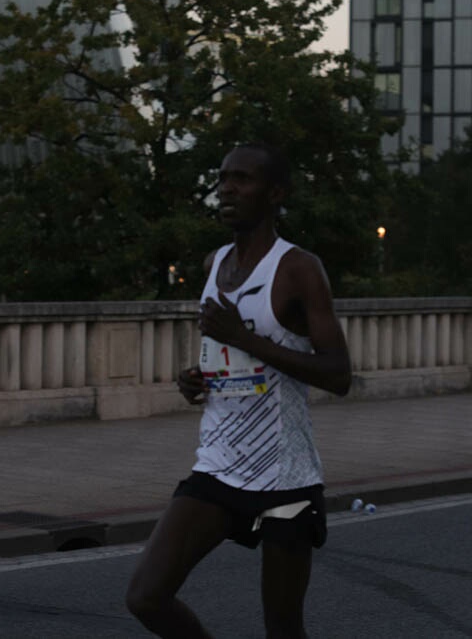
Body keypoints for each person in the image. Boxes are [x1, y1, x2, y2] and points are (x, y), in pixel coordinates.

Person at [125, 143, 352, 639]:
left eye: (243, 179)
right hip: (219, 466)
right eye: (223, 178)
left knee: (283, 629)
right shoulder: (214, 263)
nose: (227, 188)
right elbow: (229, 357)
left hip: (286, 476)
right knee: (146, 596)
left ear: (276, 195)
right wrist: (197, 378)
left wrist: (244, 338)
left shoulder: (298, 268)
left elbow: (338, 375)